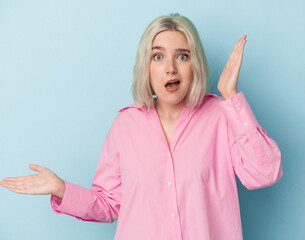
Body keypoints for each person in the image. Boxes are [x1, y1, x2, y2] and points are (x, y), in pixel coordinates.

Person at [0, 13, 283, 240]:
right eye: (158, 56)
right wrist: (61, 188)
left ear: (194, 64)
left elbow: (265, 173)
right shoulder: (125, 126)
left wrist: (231, 98)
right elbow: (109, 203)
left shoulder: (221, 116)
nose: (170, 67)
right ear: (146, 67)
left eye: (182, 56)